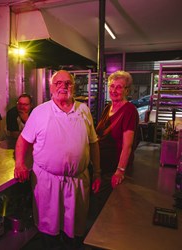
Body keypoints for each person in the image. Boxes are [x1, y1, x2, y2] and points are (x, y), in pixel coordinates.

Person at [14, 70, 101, 249]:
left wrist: (98, 172)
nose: (63, 86)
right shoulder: (40, 112)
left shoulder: (84, 110)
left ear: (73, 87)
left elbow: (93, 143)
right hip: (47, 181)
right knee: (48, 227)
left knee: (75, 228)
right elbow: (23, 140)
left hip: (77, 181)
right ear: (51, 87)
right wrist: (20, 163)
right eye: (59, 83)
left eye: (68, 83)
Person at [92, 70, 139, 219]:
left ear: (127, 90)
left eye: (119, 87)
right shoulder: (108, 108)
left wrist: (119, 171)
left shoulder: (129, 110)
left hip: (114, 168)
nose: (114, 90)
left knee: (109, 211)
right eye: (112, 86)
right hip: (102, 166)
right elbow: (100, 135)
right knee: (98, 204)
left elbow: (127, 145)